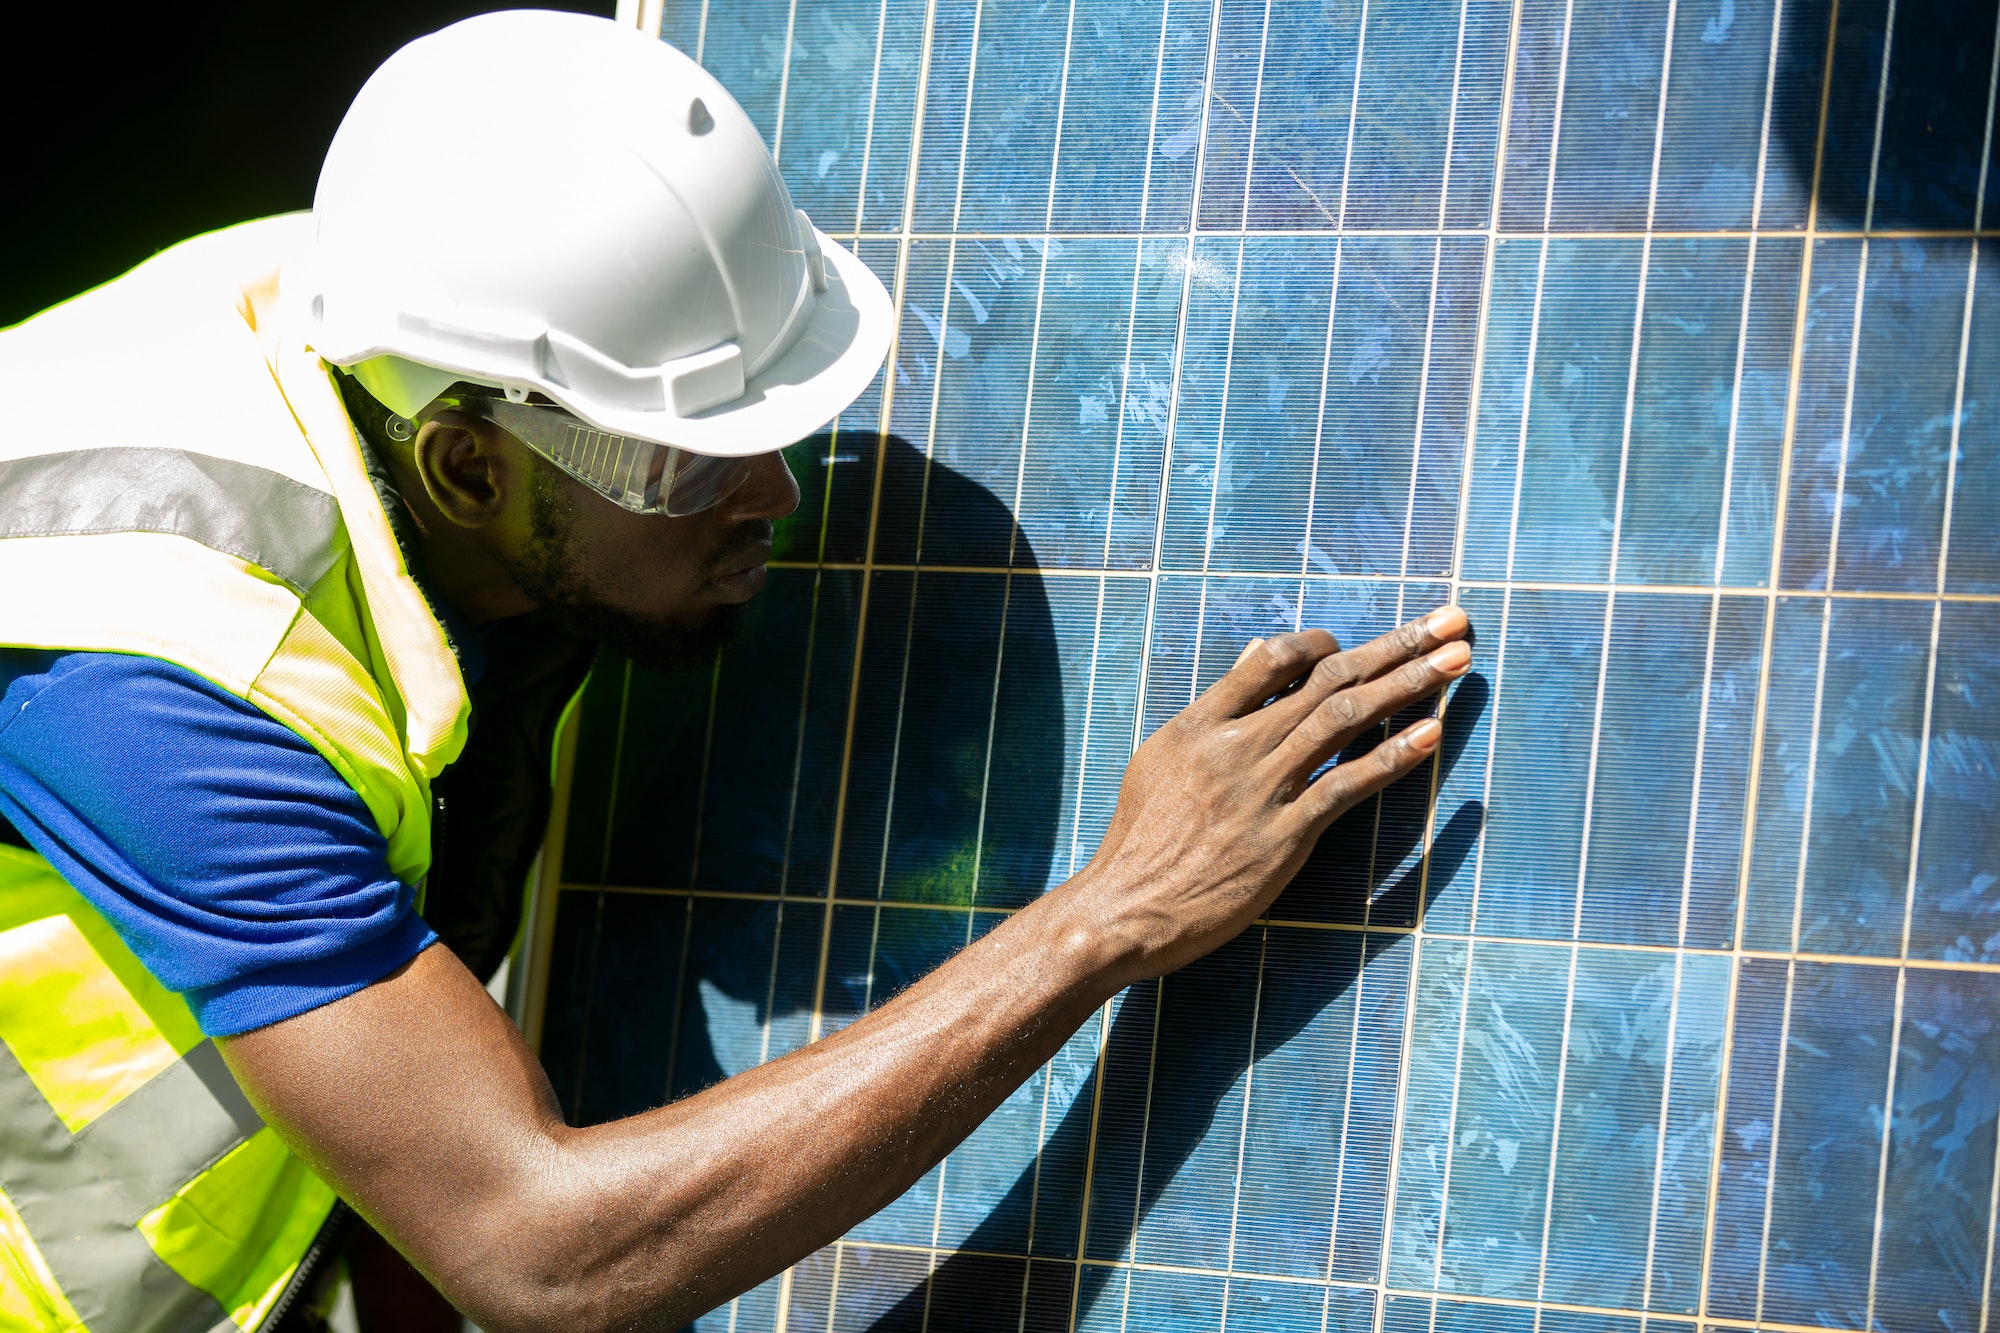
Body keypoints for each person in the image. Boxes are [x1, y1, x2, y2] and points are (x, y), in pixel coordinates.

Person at [0, 11, 1472, 1331]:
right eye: (691, 458)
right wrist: (1111, 913)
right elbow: (537, 1252)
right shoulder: (167, 692)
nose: (773, 492)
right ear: (466, 468)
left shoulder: (412, 290)